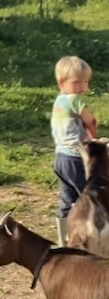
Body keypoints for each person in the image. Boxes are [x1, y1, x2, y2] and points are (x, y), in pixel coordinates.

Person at [51, 55, 98, 245]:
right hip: (76, 157)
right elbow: (91, 121)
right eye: (77, 82)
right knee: (87, 198)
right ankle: (89, 238)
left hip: (61, 158)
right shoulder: (75, 100)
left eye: (85, 81)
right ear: (62, 82)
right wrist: (93, 138)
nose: (82, 86)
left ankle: (63, 241)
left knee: (67, 199)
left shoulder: (59, 101)